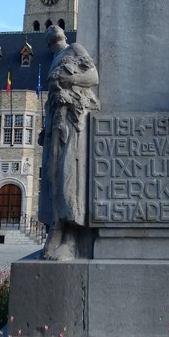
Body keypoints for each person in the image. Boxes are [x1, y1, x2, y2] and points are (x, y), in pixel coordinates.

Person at [38, 25, 99, 260]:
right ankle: (57, 228)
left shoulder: (74, 48)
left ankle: (70, 238)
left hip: (72, 121)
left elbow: (92, 77)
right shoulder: (54, 58)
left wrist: (65, 78)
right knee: (53, 178)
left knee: (68, 176)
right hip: (56, 123)